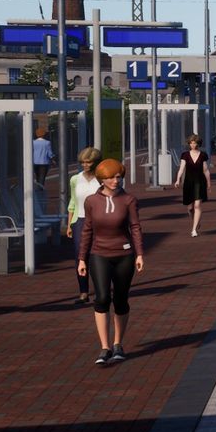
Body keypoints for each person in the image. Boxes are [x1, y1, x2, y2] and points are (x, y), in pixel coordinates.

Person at [78, 157, 143, 365]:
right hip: (99, 254)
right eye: (111, 177)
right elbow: (87, 230)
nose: (116, 181)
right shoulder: (91, 201)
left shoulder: (129, 200)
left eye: (119, 177)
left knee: (121, 299)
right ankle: (104, 347)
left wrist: (139, 253)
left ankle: (118, 344)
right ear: (102, 179)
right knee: (102, 297)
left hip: (124, 254)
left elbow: (135, 227)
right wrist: (82, 259)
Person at [64, 147, 102, 305]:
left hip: (99, 221)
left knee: (98, 257)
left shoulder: (102, 179)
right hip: (80, 221)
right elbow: (73, 202)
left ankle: (100, 291)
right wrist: (69, 224)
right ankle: (83, 292)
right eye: (83, 162)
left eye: (89, 162)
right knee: (80, 256)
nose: (85, 165)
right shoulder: (75, 179)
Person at [174, 134, 211, 237]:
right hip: (188, 183)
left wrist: (209, 183)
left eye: (195, 143)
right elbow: (181, 168)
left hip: (200, 182)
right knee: (190, 208)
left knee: (197, 205)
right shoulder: (185, 155)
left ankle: (194, 229)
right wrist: (178, 180)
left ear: (198, 144)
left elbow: (206, 170)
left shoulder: (203, 155)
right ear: (189, 144)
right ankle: (196, 221)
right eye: (191, 143)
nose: (193, 145)